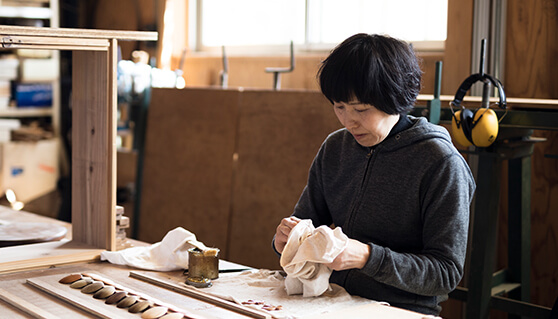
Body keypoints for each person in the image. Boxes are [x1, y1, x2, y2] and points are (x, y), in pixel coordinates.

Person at [272, 33, 475, 316]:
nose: (348, 120)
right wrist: (286, 240)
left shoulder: (439, 162)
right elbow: (307, 222)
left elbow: (445, 273)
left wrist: (366, 257)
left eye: (361, 109)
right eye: (339, 107)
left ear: (396, 98)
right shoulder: (335, 148)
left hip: (401, 310)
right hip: (331, 300)